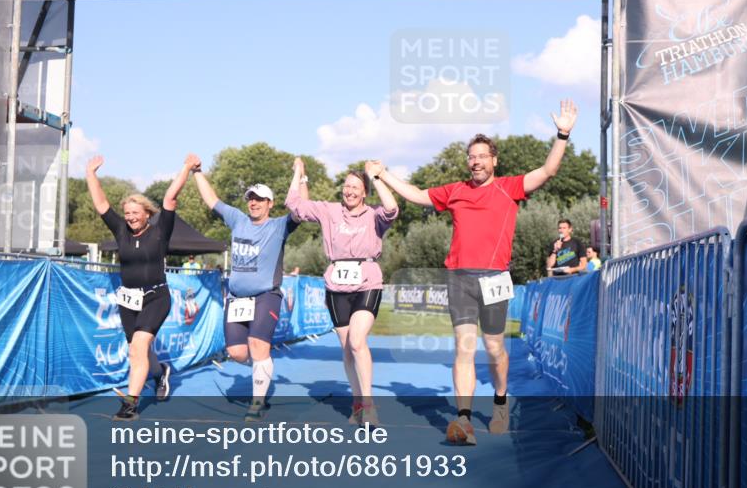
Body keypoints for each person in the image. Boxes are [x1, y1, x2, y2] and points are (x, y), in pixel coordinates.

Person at [377, 99, 579, 445]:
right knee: (464, 348)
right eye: (471, 156)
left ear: (494, 161)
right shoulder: (454, 191)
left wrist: (562, 133)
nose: (475, 161)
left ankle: (500, 402)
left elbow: (547, 172)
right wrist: (384, 174)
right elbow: (415, 194)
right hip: (459, 277)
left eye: (482, 155)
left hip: (494, 278)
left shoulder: (510, 187)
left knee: (496, 349)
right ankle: (464, 419)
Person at [189, 153, 304, 421]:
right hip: (237, 298)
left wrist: (300, 173)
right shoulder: (237, 219)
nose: (253, 203)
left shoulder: (279, 226)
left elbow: (300, 208)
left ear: (270, 204)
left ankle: (256, 402)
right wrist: (197, 172)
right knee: (237, 353)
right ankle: (263, 367)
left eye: (259, 199)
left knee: (257, 344)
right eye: (251, 198)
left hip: (266, 296)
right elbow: (212, 200)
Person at [285, 158, 398, 426]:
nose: (349, 190)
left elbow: (392, 208)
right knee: (347, 349)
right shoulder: (329, 211)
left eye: (356, 187)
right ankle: (357, 403)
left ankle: (369, 405)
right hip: (336, 285)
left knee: (358, 341)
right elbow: (294, 205)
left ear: (364, 192)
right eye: (346, 186)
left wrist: (378, 177)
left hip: (367, 282)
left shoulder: (373, 215)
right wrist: (300, 174)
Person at [86, 154, 196, 421]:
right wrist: (91, 174)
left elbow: (170, 198)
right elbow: (101, 204)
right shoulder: (121, 231)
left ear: (147, 214)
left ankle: (130, 405)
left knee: (138, 347)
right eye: (127, 214)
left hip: (156, 297)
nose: (131, 217)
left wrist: (186, 168)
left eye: (136, 213)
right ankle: (161, 373)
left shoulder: (160, 231)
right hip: (128, 300)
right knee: (139, 349)